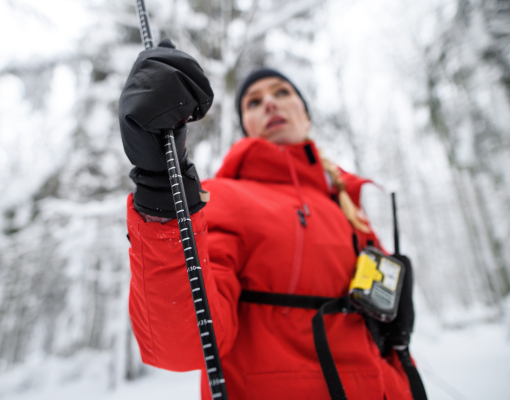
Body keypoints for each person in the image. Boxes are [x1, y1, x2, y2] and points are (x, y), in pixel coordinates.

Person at [119, 40, 420, 400]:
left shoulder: (347, 204)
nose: (270, 103)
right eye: (254, 102)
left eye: (281, 92)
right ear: (246, 124)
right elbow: (186, 343)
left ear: (306, 114)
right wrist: (161, 190)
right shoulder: (224, 198)